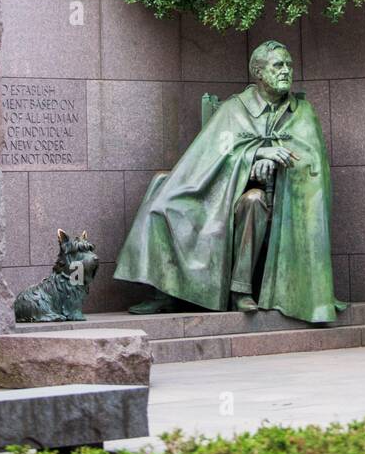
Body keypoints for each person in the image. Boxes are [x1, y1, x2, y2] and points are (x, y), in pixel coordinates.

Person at [114, 40, 344, 323]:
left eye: (288, 65)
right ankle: (165, 289)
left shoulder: (302, 112)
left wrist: (270, 163)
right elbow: (210, 154)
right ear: (258, 73)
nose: (286, 71)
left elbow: (309, 163)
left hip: (270, 196)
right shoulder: (234, 109)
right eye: (277, 66)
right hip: (218, 191)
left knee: (253, 201)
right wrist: (256, 154)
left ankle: (240, 290)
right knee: (164, 194)